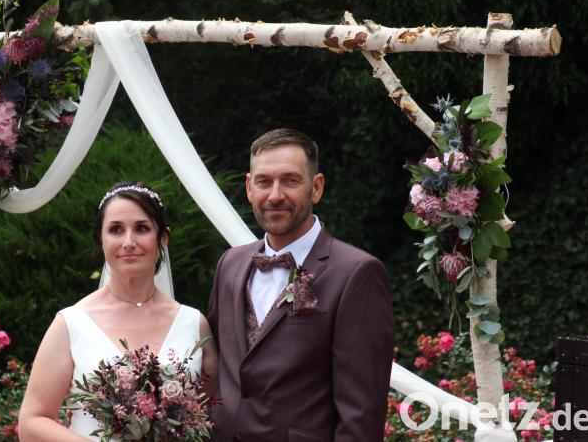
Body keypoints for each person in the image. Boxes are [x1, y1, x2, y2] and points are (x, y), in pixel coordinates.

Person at [208, 128, 394, 441]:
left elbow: (361, 415)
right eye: (264, 181)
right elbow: (214, 373)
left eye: (290, 180)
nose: (275, 195)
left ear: (316, 187)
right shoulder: (230, 264)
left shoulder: (357, 273)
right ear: (249, 188)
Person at [19, 181, 218, 441]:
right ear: (101, 240)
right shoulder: (71, 324)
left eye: (142, 228)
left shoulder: (194, 324)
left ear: (163, 239)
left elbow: (206, 414)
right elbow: (32, 422)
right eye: (115, 230)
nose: (129, 242)